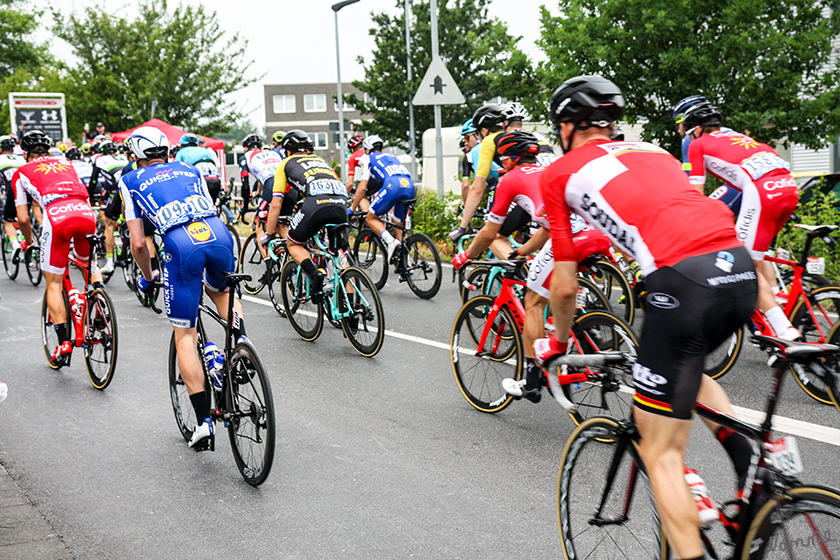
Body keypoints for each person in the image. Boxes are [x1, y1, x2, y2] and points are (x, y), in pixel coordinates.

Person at [535, 75, 758, 560]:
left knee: (661, 452)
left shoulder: (558, 173)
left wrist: (556, 339)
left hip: (683, 282)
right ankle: (751, 474)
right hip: (738, 271)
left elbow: (566, 283)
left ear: (568, 125)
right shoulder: (654, 150)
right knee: (689, 363)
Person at [451, 131, 611, 402]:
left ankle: (531, 379)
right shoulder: (550, 168)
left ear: (511, 159)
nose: (502, 166)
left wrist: (465, 255)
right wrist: (521, 252)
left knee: (533, 301)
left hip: (570, 237)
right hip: (596, 233)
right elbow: (549, 227)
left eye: (503, 161)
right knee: (555, 286)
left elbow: (490, 233)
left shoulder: (512, 179)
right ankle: (582, 331)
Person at [120, 126, 246, 450]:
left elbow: (138, 243)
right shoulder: (190, 169)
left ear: (135, 157)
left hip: (180, 243)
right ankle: (241, 347)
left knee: (185, 334)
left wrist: (148, 278)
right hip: (218, 233)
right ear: (166, 151)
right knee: (221, 291)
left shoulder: (130, 180)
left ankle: (204, 423)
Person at [685, 100, 800, 341]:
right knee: (758, 254)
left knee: (746, 264)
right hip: (789, 187)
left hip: (761, 192)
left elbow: (695, 194)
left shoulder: (698, 144)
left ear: (696, 130)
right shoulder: (739, 138)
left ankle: (784, 330)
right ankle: (778, 298)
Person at [11, 130, 103, 366]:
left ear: (25, 153)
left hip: (57, 215)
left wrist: (29, 241)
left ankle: (63, 343)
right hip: (84, 212)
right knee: (87, 264)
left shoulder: (21, 172)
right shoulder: (65, 162)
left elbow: (22, 219)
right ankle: (99, 303)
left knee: (53, 281)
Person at [262, 129, 349, 299]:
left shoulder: (285, 163)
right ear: (308, 149)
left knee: (293, 244)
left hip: (316, 203)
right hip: (340, 202)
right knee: (339, 254)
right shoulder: (321, 160)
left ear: (287, 151)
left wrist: (269, 233)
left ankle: (315, 274)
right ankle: (350, 309)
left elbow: (276, 203)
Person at [349, 135, 414, 262]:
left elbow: (363, 187)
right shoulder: (392, 156)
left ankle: (390, 242)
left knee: (371, 218)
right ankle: (405, 260)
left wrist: (351, 208)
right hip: (409, 186)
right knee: (397, 222)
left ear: (367, 149)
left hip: (392, 186)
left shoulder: (366, 158)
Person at [673, 95, 741, 215]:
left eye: (678, 121)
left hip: (747, 185)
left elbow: (689, 181)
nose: (678, 129)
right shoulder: (727, 131)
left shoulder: (691, 139)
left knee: (705, 215)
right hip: (772, 181)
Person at [450, 104, 508, 243]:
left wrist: (462, 227)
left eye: (470, 136)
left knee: (490, 237)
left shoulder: (485, 144)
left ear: (483, 130)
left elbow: (477, 188)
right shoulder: (512, 136)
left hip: (505, 189)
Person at [89, 140, 128, 274]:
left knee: (109, 224)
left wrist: (88, 197)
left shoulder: (99, 160)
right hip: (130, 187)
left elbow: (93, 181)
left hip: (116, 189)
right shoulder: (122, 157)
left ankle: (110, 263)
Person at [176, 133, 222, 204]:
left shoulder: (181, 152)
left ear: (182, 145)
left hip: (200, 181)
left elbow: (177, 170)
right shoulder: (205, 150)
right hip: (215, 179)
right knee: (212, 205)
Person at [0, 135, 26, 259]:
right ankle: (28, 240)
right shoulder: (20, 159)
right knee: (24, 217)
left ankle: (15, 244)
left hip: (12, 190)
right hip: (27, 190)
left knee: (8, 222)